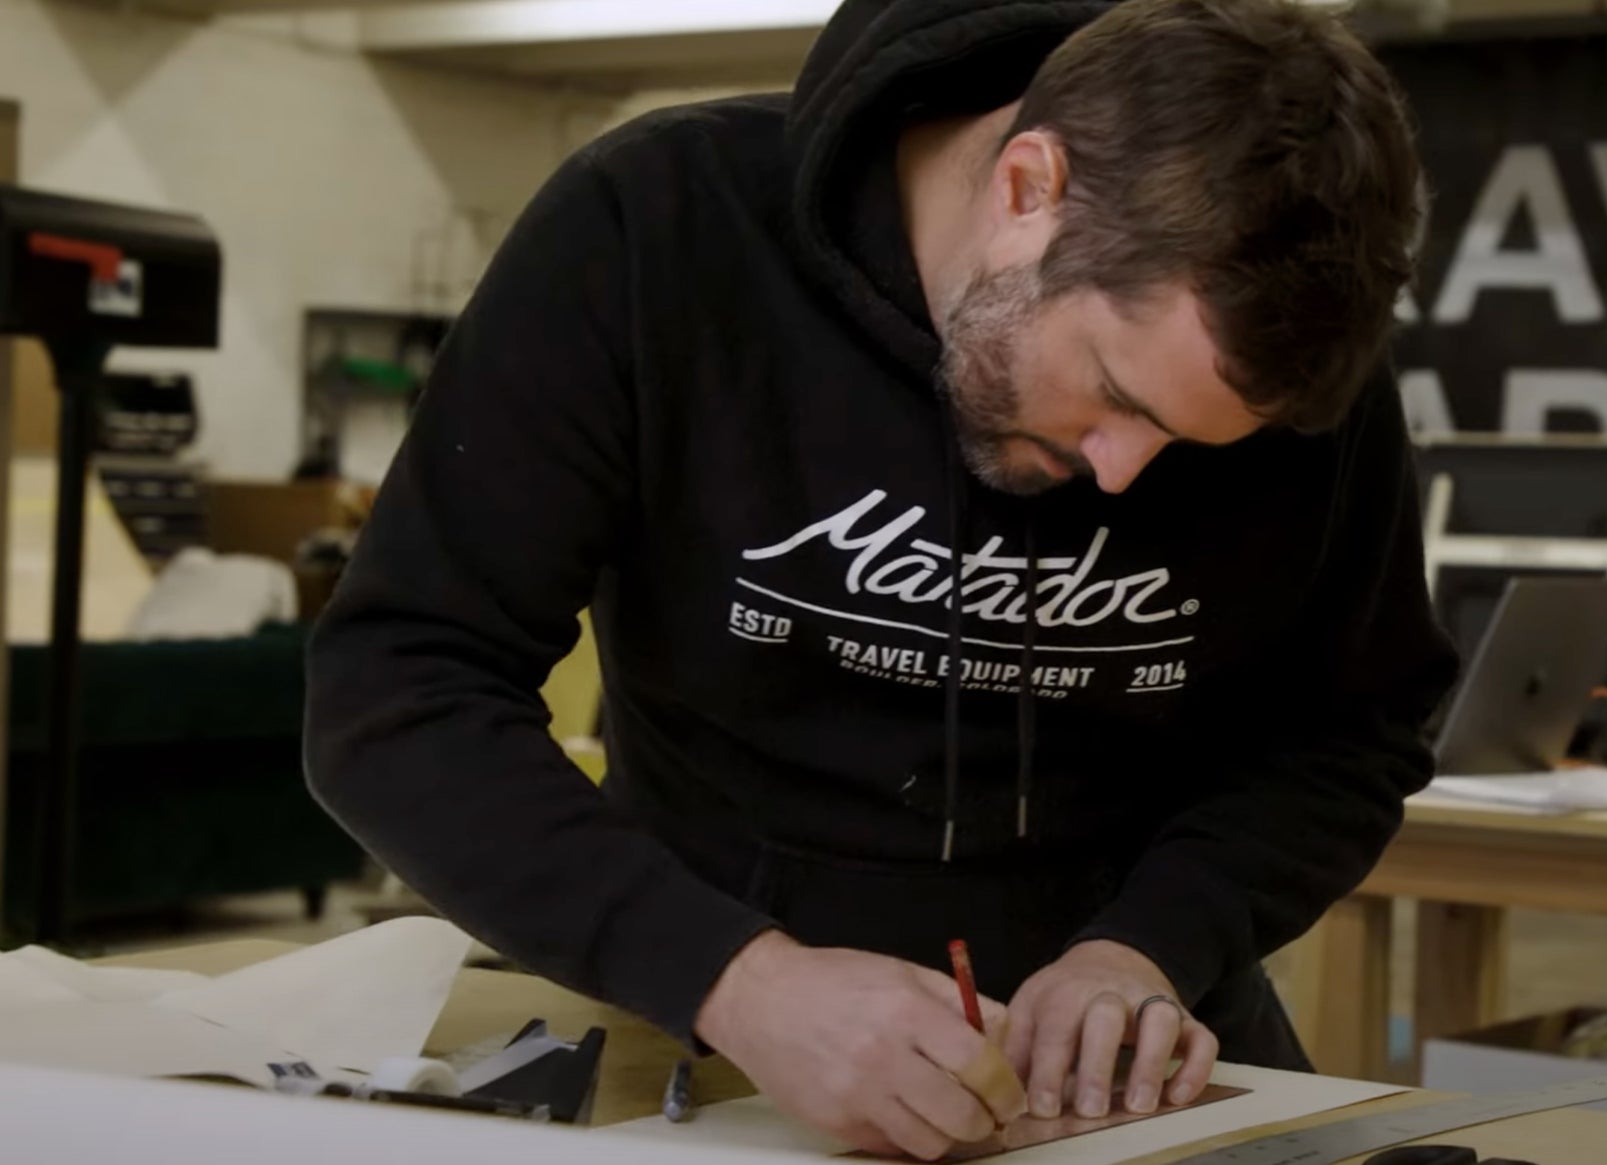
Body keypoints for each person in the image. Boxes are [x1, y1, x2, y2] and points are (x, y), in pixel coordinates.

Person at [305, 0, 1457, 1158]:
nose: (1121, 476)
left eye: (1196, 446)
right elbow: (401, 689)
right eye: (1115, 391)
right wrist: (737, 979)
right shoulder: (656, 231)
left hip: (1132, 1081)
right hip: (714, 1044)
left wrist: (1151, 945)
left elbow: (1348, 732)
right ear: (1028, 188)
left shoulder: (1296, 356)